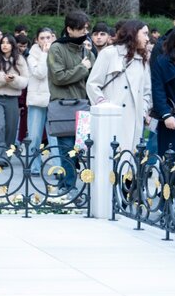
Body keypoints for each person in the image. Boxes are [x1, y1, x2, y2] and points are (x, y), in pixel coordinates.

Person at [47, 10, 95, 196]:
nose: (85, 32)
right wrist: (83, 67)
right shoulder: (56, 48)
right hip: (64, 106)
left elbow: (94, 78)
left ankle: (80, 186)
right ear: (69, 29)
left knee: (82, 149)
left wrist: (89, 60)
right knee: (66, 149)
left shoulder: (86, 50)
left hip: (83, 106)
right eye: (81, 29)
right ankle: (68, 187)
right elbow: (58, 77)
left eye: (86, 28)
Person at [87, 20, 151, 154]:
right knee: (109, 162)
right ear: (133, 33)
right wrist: (104, 106)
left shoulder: (143, 58)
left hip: (135, 122)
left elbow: (147, 91)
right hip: (110, 119)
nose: (147, 38)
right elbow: (93, 84)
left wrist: (142, 110)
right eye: (144, 34)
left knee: (129, 163)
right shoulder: (109, 53)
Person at [0, 34, 29, 167]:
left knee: (11, 129)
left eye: (8, 43)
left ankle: (6, 155)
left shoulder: (20, 60)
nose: (5, 45)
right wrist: (1, 78)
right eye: (3, 42)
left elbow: (25, 81)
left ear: (13, 45)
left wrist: (14, 79)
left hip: (13, 98)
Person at [24, 28, 57, 177]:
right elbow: (40, 73)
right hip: (37, 99)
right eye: (42, 38)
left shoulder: (58, 52)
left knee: (55, 136)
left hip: (54, 97)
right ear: (37, 40)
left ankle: (58, 168)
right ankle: (34, 167)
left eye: (48, 37)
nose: (45, 41)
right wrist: (44, 54)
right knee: (35, 136)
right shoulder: (32, 56)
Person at [151, 25, 175, 155]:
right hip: (173, 116)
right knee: (172, 162)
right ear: (174, 40)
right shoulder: (163, 61)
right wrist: (166, 114)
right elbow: (158, 90)